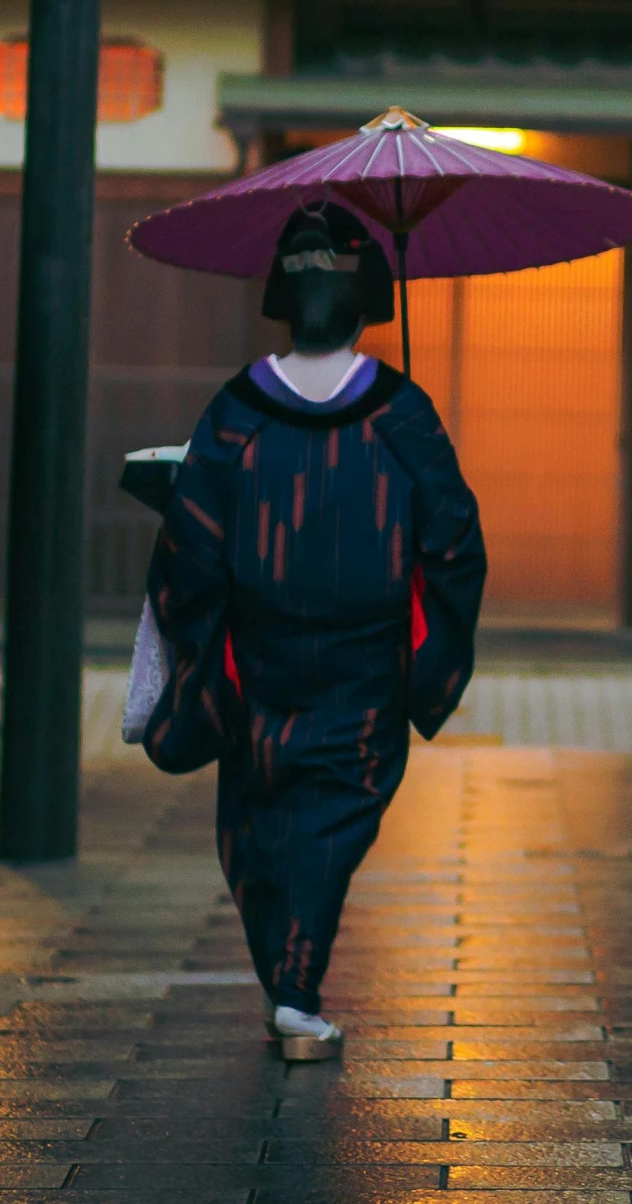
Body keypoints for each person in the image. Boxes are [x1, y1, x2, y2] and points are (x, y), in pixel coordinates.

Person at [142, 202, 486, 1061]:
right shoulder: (401, 411)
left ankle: (290, 983)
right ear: (368, 299)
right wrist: (431, 655)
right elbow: (454, 539)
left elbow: (190, 550)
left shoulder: (235, 412)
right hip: (366, 666)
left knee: (260, 822)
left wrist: (197, 640)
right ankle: (294, 990)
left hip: (257, 664)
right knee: (331, 821)